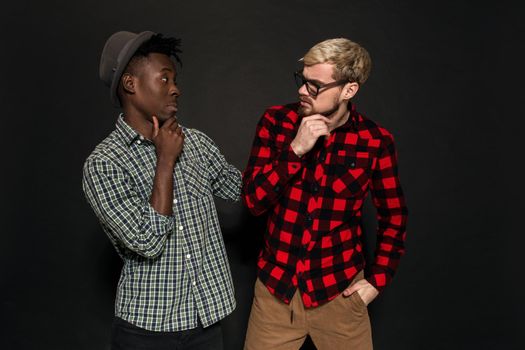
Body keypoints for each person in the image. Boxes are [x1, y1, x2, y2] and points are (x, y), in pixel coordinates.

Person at [242, 38, 408, 349]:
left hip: (340, 295)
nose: (302, 91)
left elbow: (394, 216)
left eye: (315, 86)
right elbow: (252, 201)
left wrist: (376, 280)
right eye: (302, 81)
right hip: (276, 294)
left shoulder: (375, 141)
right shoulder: (276, 123)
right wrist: (295, 150)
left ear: (349, 90)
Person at [82, 30, 241, 350]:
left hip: (206, 323)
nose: (176, 89)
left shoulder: (196, 142)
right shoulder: (103, 164)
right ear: (131, 84)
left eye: (175, 79)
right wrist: (165, 162)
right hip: (147, 333)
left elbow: (246, 190)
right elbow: (147, 240)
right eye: (164, 79)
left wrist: (295, 148)